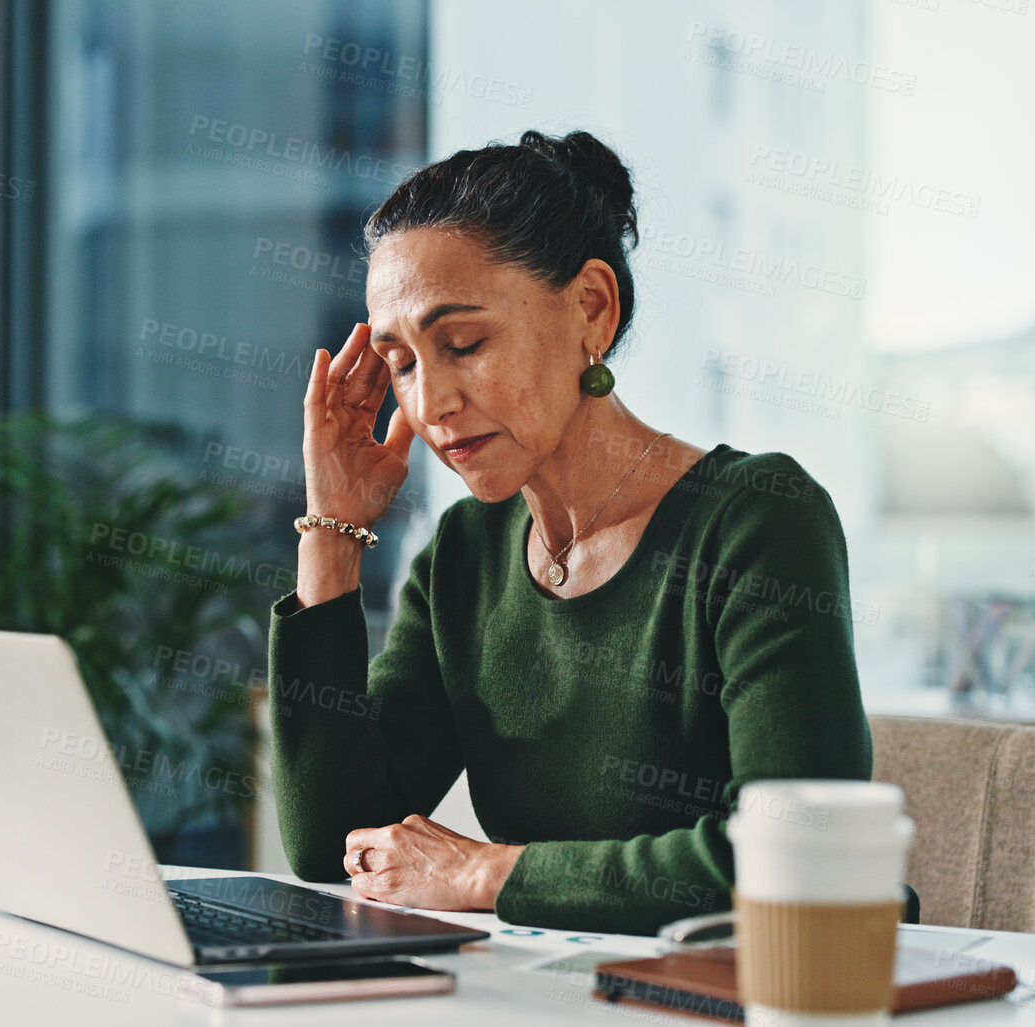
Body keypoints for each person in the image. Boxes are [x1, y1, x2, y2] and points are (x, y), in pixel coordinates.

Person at [267, 129, 873, 935]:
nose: (431, 403)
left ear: (590, 307)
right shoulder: (465, 553)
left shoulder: (758, 517)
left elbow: (800, 853)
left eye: (463, 343)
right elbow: (330, 841)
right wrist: (331, 532)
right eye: (403, 363)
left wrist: (485, 870)